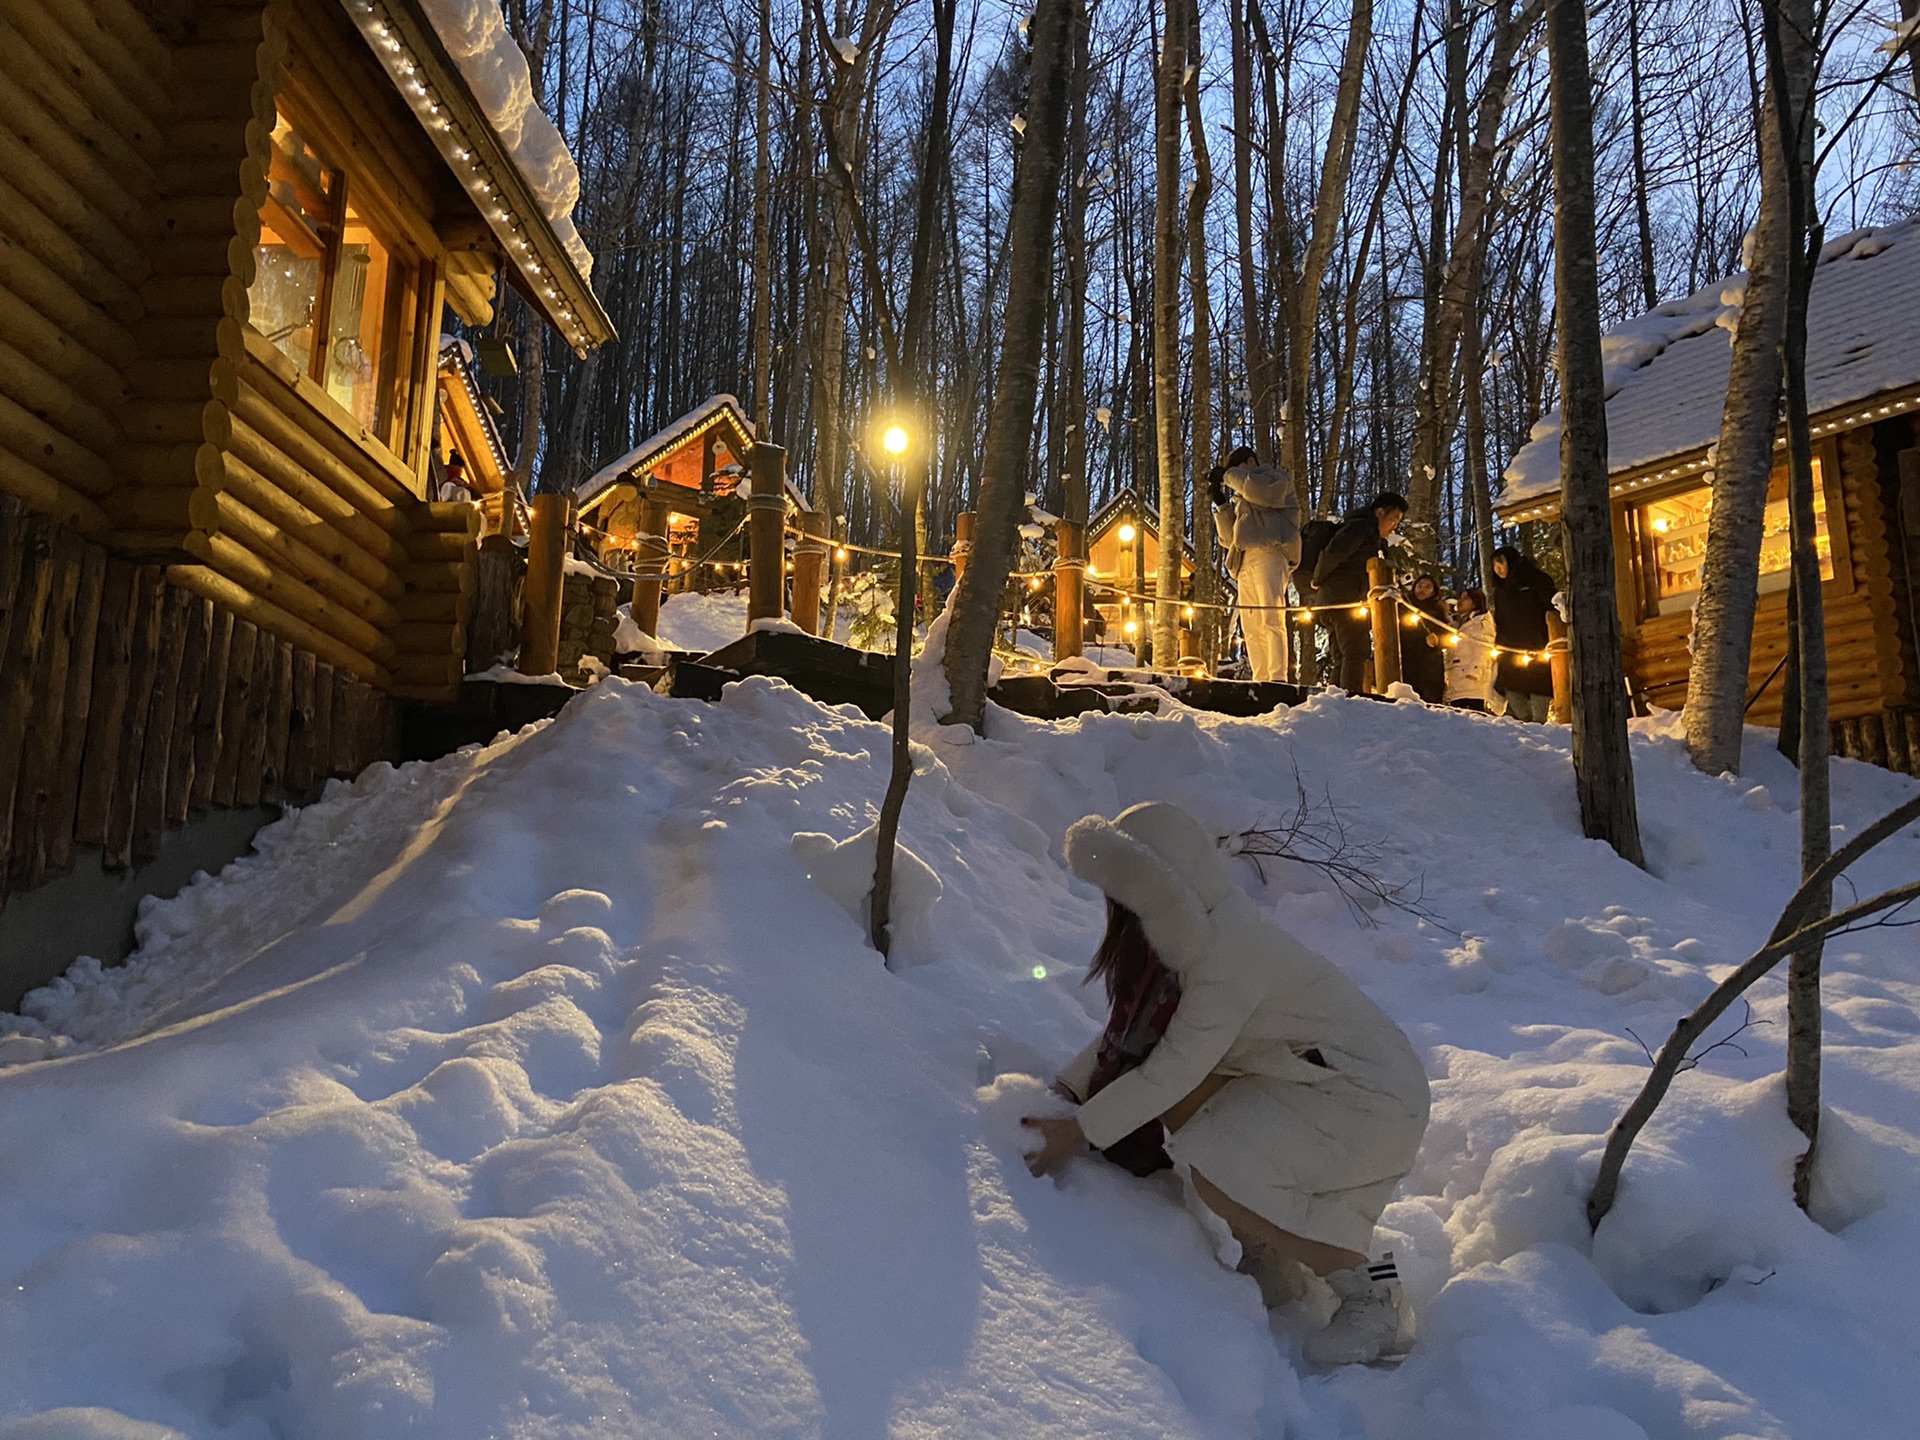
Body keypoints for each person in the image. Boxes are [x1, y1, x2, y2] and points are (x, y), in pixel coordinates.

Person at [1023, 802, 1432, 1367]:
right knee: (1195, 1119)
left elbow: (1171, 1069)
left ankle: (1375, 1293)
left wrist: (1080, 1131)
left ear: (1161, 891)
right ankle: (1274, 1251)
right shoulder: (1190, 936)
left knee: (1216, 1165)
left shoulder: (1225, 958)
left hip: (1368, 1099)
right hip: (1312, 1077)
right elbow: (1141, 1043)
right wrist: (1072, 1088)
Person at [1209, 445, 1301, 684]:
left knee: (1271, 615)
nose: (1235, 479)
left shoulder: (1275, 480)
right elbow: (1230, 540)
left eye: (1237, 471)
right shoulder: (1243, 499)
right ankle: (1261, 678)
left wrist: (1228, 476)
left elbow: (1261, 492)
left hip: (1271, 552)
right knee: (1251, 625)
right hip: (1244, 560)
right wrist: (1222, 505)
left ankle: (1277, 677)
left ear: (1251, 462)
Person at [1309, 492, 1408, 694]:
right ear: (1380, 512)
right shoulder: (1361, 528)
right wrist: (1317, 579)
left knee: (1342, 653)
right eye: (1393, 519)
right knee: (1355, 651)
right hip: (1343, 598)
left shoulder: (1371, 536)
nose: (1394, 527)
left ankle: (1336, 698)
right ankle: (1349, 699)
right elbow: (1334, 552)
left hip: (1338, 599)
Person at [1489, 545, 1556, 722]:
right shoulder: (1500, 590)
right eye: (1494, 565)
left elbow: (1551, 604)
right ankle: (1524, 721)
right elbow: (1501, 620)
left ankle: (1539, 723)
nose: (1498, 569)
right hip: (1509, 647)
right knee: (1511, 685)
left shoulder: (1534, 579)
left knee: (1538, 685)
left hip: (1536, 645)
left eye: (1501, 564)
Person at [1443, 588, 1496, 712]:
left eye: (1466, 598)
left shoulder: (1480, 623)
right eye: (1460, 598)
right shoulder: (1457, 623)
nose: (1460, 601)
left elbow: (1483, 648)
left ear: (1475, 602)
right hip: (1456, 678)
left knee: (1472, 714)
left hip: (1471, 680)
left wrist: (1474, 672)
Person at [1399, 574, 1448, 704]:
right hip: (1408, 659)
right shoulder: (1404, 605)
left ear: (1433, 591)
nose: (1423, 589)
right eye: (1420, 585)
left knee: (1430, 698)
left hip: (1430, 663)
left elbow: (1447, 636)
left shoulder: (1438, 611)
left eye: (1427, 587)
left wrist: (1438, 640)